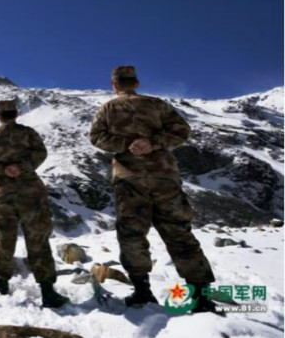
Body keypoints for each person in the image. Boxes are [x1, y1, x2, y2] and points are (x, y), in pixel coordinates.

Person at [89, 66, 216, 312]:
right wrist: (152, 143)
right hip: (164, 177)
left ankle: (142, 292)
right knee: (179, 234)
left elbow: (96, 137)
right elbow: (182, 131)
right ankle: (201, 297)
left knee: (132, 235)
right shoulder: (158, 105)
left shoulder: (107, 109)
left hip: (129, 179)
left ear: (114, 85)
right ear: (136, 83)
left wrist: (126, 144)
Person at [0, 100, 69, 308]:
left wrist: (3, 169)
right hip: (32, 192)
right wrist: (22, 167)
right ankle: (47, 292)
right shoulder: (28, 133)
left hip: (4, 193)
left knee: (4, 238)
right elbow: (41, 153)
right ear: (16, 113)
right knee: (38, 240)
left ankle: (1, 287)